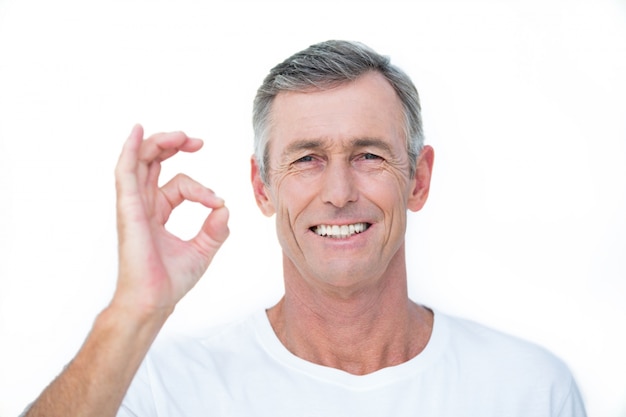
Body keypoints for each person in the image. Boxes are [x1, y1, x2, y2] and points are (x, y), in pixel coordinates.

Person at [22, 40, 586, 416]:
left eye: (368, 155)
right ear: (262, 187)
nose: (339, 193)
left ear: (418, 179)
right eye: (306, 159)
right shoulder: (163, 389)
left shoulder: (529, 390)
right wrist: (133, 310)